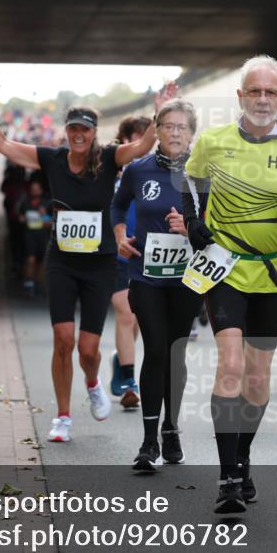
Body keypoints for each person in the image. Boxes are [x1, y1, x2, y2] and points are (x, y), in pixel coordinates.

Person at [0, 70, 174, 443]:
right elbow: (2, 144)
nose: (79, 135)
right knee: (63, 339)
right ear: (66, 131)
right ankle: (63, 416)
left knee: (87, 348)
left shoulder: (110, 159)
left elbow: (142, 148)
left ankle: (93, 381)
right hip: (62, 263)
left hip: (99, 265)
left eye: (85, 129)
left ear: (94, 131)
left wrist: (159, 114)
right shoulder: (51, 159)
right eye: (73, 129)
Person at [177, 55, 277, 513]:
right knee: (230, 365)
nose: (262, 99)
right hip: (224, 269)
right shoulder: (214, 141)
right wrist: (192, 220)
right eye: (254, 91)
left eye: (271, 92)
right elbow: (190, 181)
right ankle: (226, 480)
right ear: (240, 96)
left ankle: (242, 459)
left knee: (258, 377)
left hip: (273, 271)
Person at [112, 99, 203, 471]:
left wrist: (191, 228)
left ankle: (171, 428)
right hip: (145, 275)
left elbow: (219, 224)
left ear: (192, 133)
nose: (175, 133)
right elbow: (117, 206)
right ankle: (149, 441)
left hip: (187, 277)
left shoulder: (204, 172)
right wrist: (120, 234)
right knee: (156, 350)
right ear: (158, 129)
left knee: (175, 352)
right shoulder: (138, 170)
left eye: (182, 127)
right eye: (169, 126)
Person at [109, 116, 154, 408]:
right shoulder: (108, 170)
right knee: (126, 313)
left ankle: (120, 359)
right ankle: (128, 380)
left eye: (144, 137)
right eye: (131, 137)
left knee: (135, 318)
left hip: (147, 254)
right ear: (122, 140)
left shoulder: (154, 172)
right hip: (115, 255)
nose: (137, 143)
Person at [20, 173, 51, 296]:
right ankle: (29, 282)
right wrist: (22, 218)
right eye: (32, 189)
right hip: (29, 235)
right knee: (30, 258)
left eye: (36, 189)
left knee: (41, 261)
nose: (34, 191)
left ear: (41, 190)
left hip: (42, 235)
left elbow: (52, 222)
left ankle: (38, 282)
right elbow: (20, 215)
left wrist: (44, 216)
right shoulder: (25, 201)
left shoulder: (47, 203)